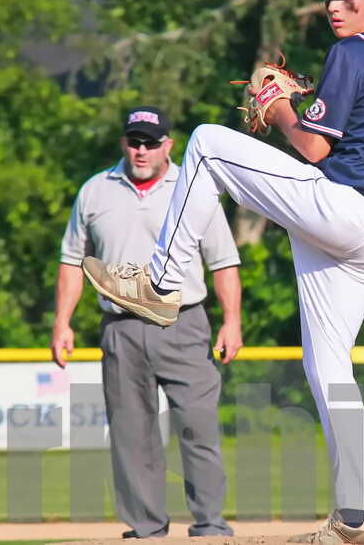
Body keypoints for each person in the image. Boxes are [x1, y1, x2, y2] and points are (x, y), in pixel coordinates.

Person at [82, 0, 364, 544]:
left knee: (207, 144)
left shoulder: (351, 51)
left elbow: (313, 148)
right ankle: (356, 514)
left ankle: (160, 283)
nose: (335, 6)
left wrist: (281, 107)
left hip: (345, 208)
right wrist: (300, 109)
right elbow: (352, 135)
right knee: (328, 367)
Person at [51, 106, 243, 539]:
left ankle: (210, 524)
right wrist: (62, 322)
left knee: (198, 425)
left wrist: (232, 321)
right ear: (124, 142)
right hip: (120, 326)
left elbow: (224, 262)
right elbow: (72, 261)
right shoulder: (95, 190)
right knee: (131, 434)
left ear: (168, 145)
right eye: (134, 141)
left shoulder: (193, 188)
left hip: (183, 322)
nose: (141, 150)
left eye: (151, 142)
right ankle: (146, 529)